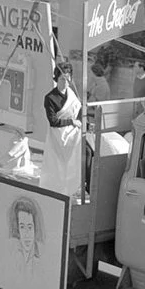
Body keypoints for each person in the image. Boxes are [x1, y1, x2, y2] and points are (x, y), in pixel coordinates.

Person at [42, 62, 83, 196]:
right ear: (56, 79)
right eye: (62, 79)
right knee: (57, 166)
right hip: (58, 135)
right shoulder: (50, 98)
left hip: (73, 132)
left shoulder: (72, 94)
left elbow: (78, 109)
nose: (65, 82)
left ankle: (75, 186)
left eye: (67, 79)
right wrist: (71, 121)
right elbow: (53, 121)